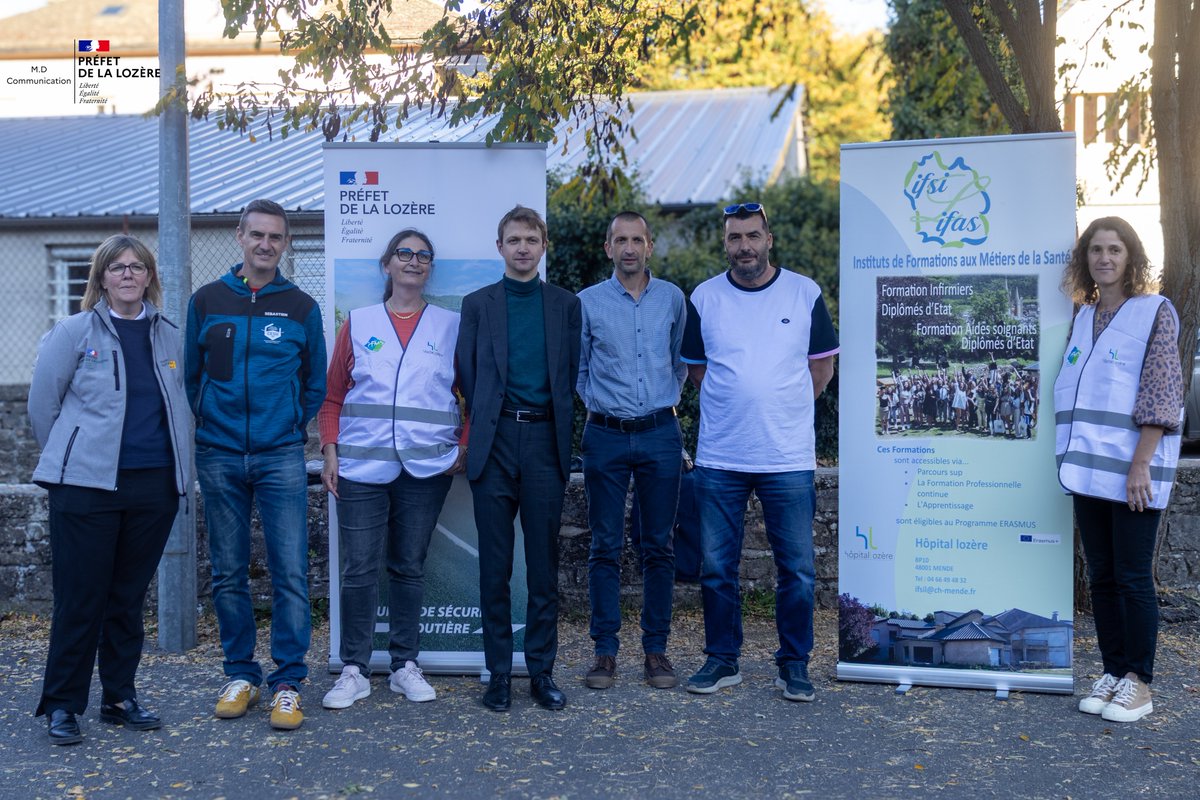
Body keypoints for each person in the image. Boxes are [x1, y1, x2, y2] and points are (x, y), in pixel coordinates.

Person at [29, 235, 191, 745]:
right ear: (100, 278)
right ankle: (62, 704)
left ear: (149, 277)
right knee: (82, 598)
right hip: (85, 488)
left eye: (136, 267)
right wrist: (74, 458)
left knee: (125, 599)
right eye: (117, 267)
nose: (127, 275)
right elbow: (43, 408)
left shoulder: (170, 335)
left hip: (154, 486)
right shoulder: (73, 331)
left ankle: (119, 696)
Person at [681, 202, 838, 701]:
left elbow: (821, 370)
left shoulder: (804, 291)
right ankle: (722, 660)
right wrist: (742, 404)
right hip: (721, 456)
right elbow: (698, 371)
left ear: (769, 238)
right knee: (716, 566)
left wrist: (778, 408)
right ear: (724, 243)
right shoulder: (704, 298)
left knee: (797, 569)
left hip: (786, 456)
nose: (744, 245)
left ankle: (794, 664)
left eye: (752, 235)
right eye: (734, 237)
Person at [185, 199, 327, 731]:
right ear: (239, 237)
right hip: (218, 453)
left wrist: (289, 425)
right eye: (257, 235)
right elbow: (192, 378)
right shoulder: (207, 301)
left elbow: (314, 381)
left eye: (276, 237)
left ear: (285, 244)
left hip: (279, 455)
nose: (266, 244)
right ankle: (240, 673)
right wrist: (211, 418)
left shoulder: (301, 307)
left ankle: (287, 682)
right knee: (228, 572)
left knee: (291, 570)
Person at [317, 229, 467, 710]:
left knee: (408, 567)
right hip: (361, 466)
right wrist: (329, 449)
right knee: (359, 570)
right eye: (404, 253)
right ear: (387, 265)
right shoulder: (358, 323)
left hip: (426, 468)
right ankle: (355, 670)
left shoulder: (451, 325)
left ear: (429, 268)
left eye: (424, 255)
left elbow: (474, 392)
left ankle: (405, 665)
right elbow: (333, 396)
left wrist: (462, 446)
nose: (414, 261)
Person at [1055, 217, 1183, 723]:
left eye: (1114, 250)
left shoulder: (1155, 311)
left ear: (1131, 258)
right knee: (1104, 576)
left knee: (1132, 578)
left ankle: (1139, 683)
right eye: (1095, 250)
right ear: (1085, 259)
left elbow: (1161, 394)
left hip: (1134, 471)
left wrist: (1140, 465)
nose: (1104, 258)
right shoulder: (1082, 317)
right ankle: (1112, 671)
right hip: (1087, 471)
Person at [456, 205, 581, 712]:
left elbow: (570, 372)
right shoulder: (478, 304)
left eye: (531, 239)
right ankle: (499, 674)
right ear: (500, 247)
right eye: (514, 240)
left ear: (543, 245)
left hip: (546, 443)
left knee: (543, 566)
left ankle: (541, 673)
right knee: (495, 567)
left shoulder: (565, 305)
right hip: (496, 439)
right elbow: (466, 374)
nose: (523, 247)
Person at [577, 211, 687, 690]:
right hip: (604, 434)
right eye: (619, 239)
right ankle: (604, 652)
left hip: (661, 433)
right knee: (604, 546)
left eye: (636, 239)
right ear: (607, 247)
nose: (628, 248)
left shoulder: (672, 299)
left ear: (649, 246)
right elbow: (578, 370)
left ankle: (656, 651)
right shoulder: (587, 303)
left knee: (658, 546)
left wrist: (661, 403)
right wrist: (602, 407)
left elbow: (682, 361)